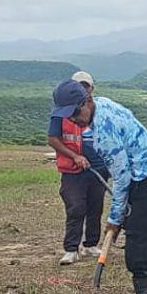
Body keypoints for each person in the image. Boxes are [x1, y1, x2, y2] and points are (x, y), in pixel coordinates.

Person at [53, 79, 147, 294]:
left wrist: (114, 220)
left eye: (75, 112)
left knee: (139, 255)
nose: (73, 119)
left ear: (87, 101)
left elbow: (121, 179)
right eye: (68, 116)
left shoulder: (103, 135)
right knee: (144, 246)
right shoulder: (102, 103)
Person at [46, 71, 108, 263]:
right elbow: (52, 139)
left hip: (98, 168)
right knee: (75, 207)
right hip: (73, 170)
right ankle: (71, 248)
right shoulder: (62, 113)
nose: (83, 89)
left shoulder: (98, 110)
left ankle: (90, 245)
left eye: (85, 86)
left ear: (91, 89)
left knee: (95, 207)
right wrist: (74, 156)